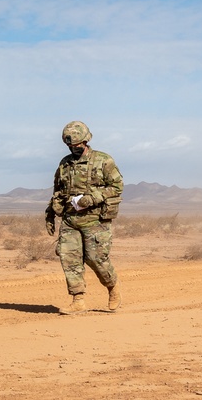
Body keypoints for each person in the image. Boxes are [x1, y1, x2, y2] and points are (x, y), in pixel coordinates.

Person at [45, 121, 124, 315]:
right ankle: (78, 300)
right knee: (69, 259)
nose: (74, 149)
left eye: (77, 145)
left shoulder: (103, 160)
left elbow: (117, 186)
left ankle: (112, 287)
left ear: (86, 140)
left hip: (95, 220)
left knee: (96, 259)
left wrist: (91, 199)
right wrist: (50, 211)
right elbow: (59, 191)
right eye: (70, 146)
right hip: (70, 220)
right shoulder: (64, 164)